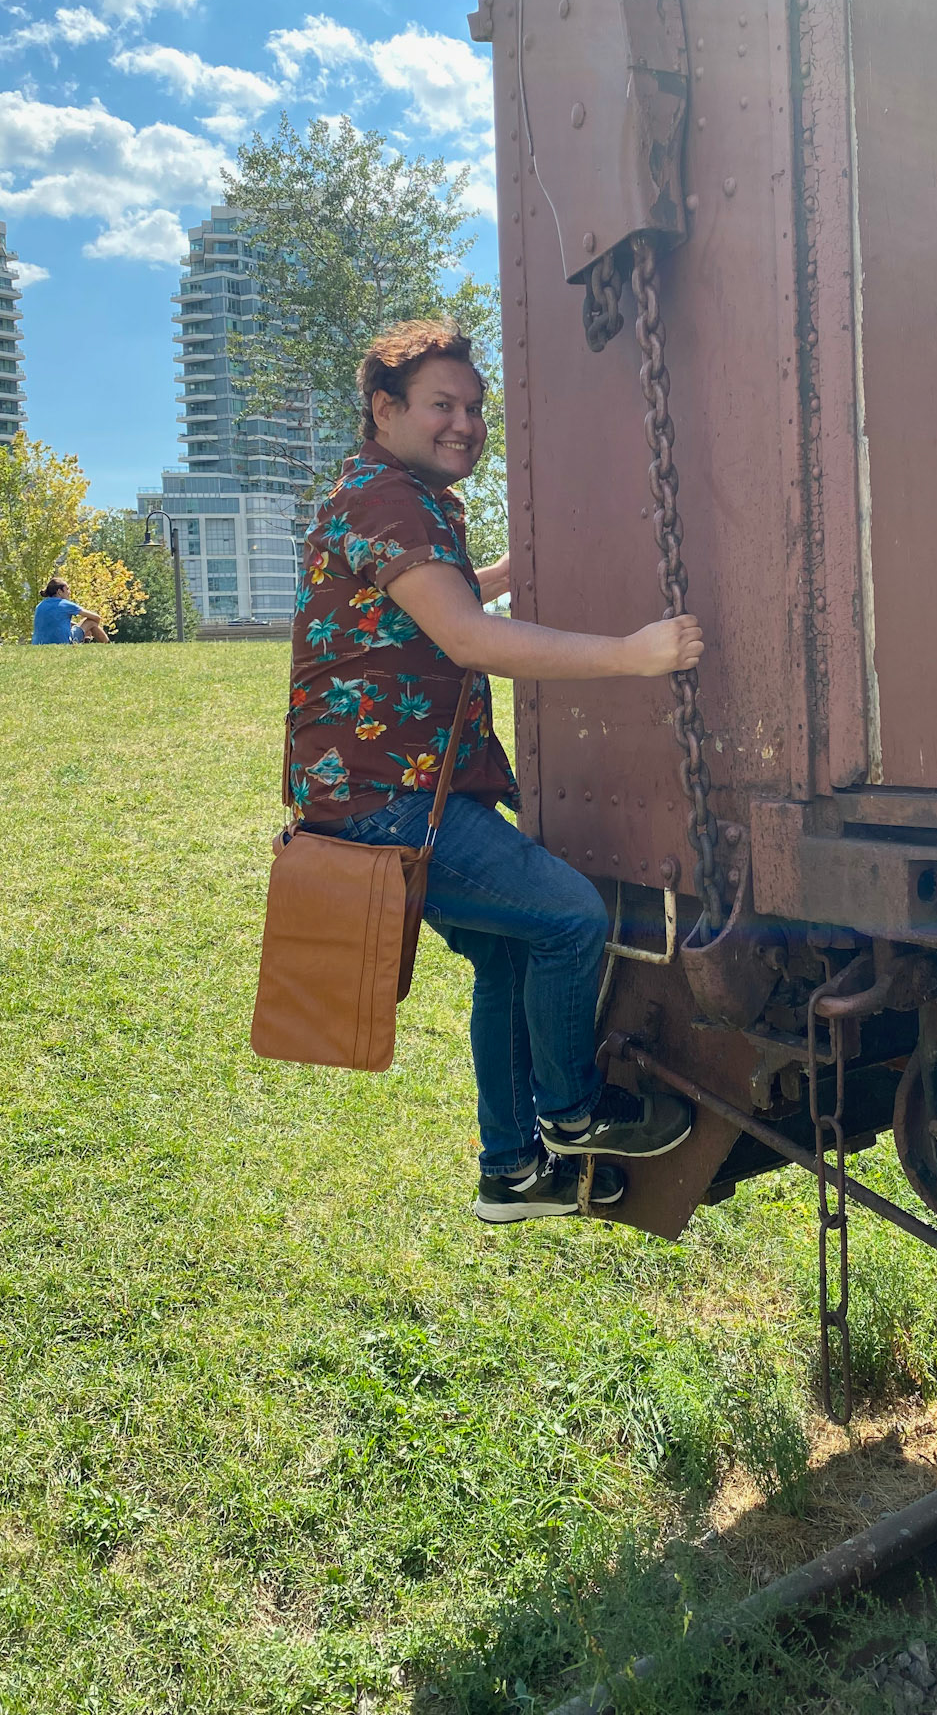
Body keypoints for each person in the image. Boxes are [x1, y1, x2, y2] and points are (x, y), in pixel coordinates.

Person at [287, 318, 700, 1224]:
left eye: (475, 407)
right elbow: (465, 634)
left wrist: (519, 565)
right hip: (386, 803)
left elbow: (440, 592)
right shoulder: (388, 498)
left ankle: (510, 1176)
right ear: (384, 408)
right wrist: (634, 654)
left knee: (511, 952)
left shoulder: (401, 497)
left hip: (388, 793)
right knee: (565, 920)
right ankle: (575, 1114)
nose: (466, 423)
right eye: (442, 405)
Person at [32, 580, 107, 645]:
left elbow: (57, 622)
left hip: (38, 643)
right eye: (67, 589)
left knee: (82, 625)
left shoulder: (40, 605)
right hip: (64, 642)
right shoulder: (65, 604)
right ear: (59, 592)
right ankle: (108, 644)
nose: (69, 592)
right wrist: (87, 629)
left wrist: (79, 627)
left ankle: (86, 640)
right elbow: (96, 618)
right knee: (91, 622)